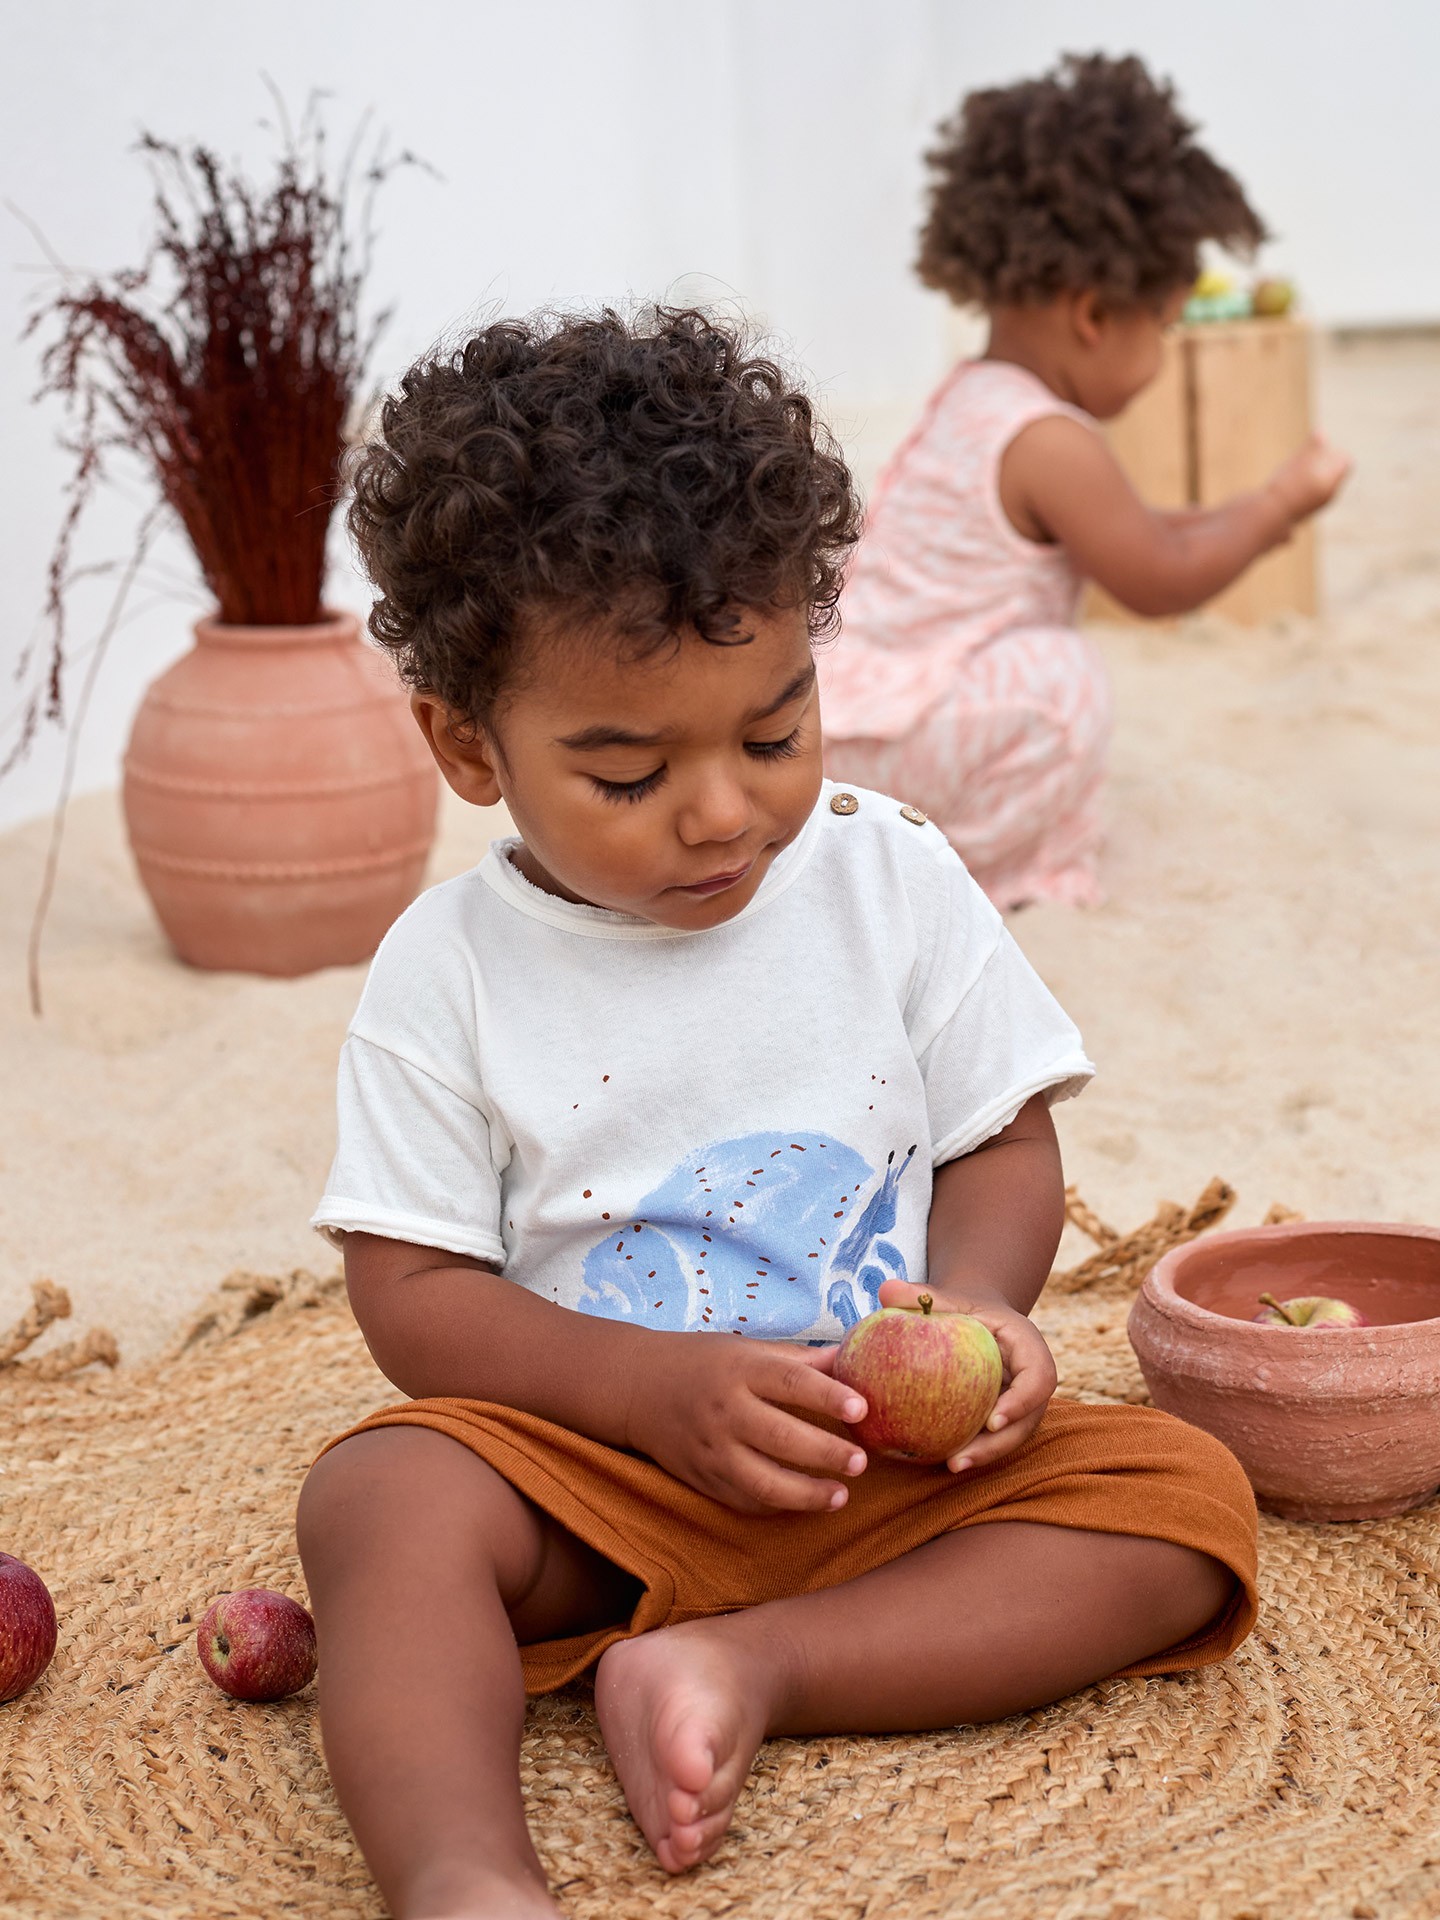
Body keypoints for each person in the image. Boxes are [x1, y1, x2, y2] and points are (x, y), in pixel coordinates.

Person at [297, 307, 1258, 1920]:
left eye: (775, 730)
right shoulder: (445, 970)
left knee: (1184, 1501)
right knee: (379, 1500)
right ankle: (463, 1875)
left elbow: (999, 1140)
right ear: (470, 746)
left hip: (900, 1467)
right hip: (598, 1469)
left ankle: (748, 1665)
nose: (725, 810)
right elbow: (410, 1295)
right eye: (626, 774)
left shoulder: (887, 871)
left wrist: (976, 1310)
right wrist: (645, 1394)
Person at [822, 53, 1351, 909]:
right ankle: (965, 876)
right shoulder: (1049, 441)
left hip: (847, 723)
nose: (1162, 357)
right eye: (1166, 327)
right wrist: (1281, 504)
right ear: (1096, 316)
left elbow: (1144, 530)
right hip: (887, 741)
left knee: (1049, 673)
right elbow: (1157, 578)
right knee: (1065, 690)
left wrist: (1255, 511)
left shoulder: (979, 394)